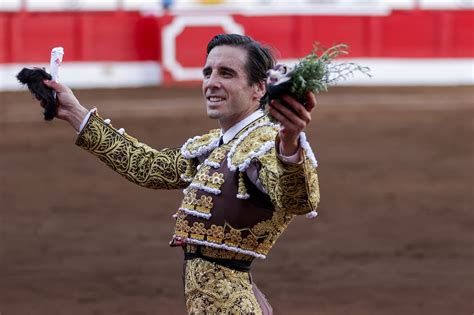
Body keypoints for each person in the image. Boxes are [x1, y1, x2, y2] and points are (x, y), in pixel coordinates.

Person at [40, 34, 320, 314]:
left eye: (227, 73)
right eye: (207, 72)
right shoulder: (218, 144)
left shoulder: (264, 144)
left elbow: (298, 201)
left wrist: (290, 144)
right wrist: (75, 112)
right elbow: (149, 167)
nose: (211, 82)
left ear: (259, 88)